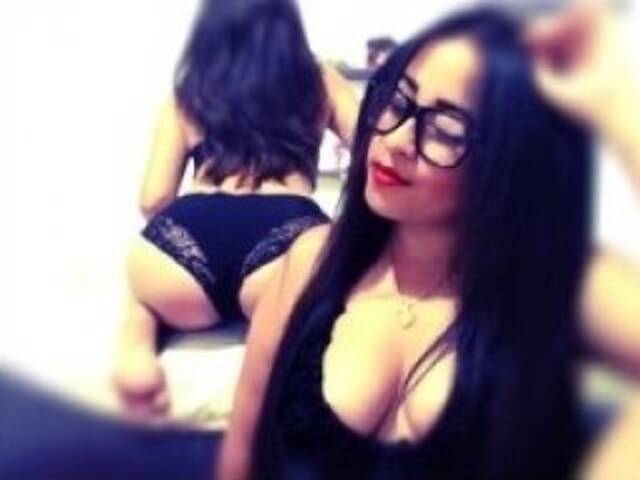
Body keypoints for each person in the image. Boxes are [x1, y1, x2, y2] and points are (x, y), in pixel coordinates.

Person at [218, 4, 640, 479]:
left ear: (511, 161)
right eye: (397, 102)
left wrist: (620, 112)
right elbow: (241, 458)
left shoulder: (552, 289)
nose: (397, 139)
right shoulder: (311, 260)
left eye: (445, 129)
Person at [113, 0, 359, 420]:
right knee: (328, 293)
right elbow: (374, 150)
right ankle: (271, 354)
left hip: (185, 244)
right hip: (285, 240)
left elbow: (153, 198)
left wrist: (187, 232)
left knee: (143, 296)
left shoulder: (190, 92)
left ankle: (136, 343)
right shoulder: (321, 80)